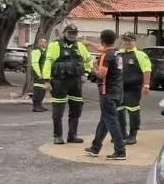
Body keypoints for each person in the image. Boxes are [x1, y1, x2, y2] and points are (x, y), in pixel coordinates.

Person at [42, 24, 93, 144]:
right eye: (70, 33)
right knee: (58, 111)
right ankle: (58, 136)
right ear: (64, 33)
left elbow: (88, 60)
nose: (72, 35)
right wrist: (46, 81)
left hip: (75, 83)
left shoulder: (80, 46)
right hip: (60, 82)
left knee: (76, 109)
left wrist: (85, 73)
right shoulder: (55, 45)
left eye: (74, 33)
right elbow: (48, 62)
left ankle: (72, 135)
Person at [85, 29, 127, 160]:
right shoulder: (116, 53)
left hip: (107, 92)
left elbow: (102, 74)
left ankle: (120, 151)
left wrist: (92, 68)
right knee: (105, 120)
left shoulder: (105, 56)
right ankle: (95, 148)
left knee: (111, 122)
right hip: (118, 91)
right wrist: (89, 43)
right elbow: (102, 48)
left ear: (102, 40)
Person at [117, 33, 152, 146]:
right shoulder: (119, 54)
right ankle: (122, 134)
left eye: (129, 41)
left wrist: (146, 85)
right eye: (125, 40)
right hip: (119, 88)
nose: (127, 43)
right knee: (119, 111)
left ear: (134, 42)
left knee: (133, 112)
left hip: (133, 88)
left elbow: (146, 70)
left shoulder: (140, 54)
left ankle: (132, 136)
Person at [29, 36, 49, 112]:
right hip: (38, 74)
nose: (46, 43)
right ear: (40, 42)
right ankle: (36, 106)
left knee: (42, 90)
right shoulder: (36, 51)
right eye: (44, 42)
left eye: (46, 42)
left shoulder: (43, 51)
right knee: (38, 90)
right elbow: (35, 63)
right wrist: (39, 73)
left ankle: (40, 105)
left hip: (43, 74)